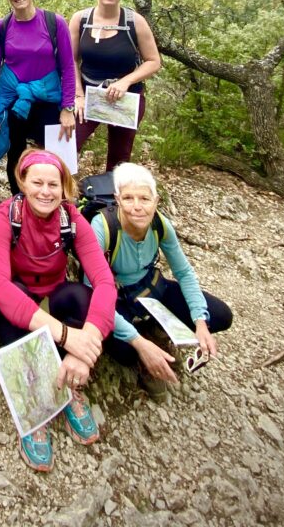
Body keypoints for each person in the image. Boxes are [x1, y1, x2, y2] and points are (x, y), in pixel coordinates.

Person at [0, 149, 117, 469]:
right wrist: (64, 335)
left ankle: (70, 383)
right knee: (11, 304)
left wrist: (85, 344)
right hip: (16, 302)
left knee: (82, 296)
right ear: (23, 182)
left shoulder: (71, 218)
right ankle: (35, 407)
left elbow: (104, 282)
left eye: (53, 184)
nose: (45, 191)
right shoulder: (5, 215)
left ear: (64, 188)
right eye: (37, 183)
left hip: (52, 298)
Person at [89, 162, 233, 395]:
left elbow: (183, 272)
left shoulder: (160, 224)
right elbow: (92, 293)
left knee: (220, 316)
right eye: (128, 198)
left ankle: (156, 332)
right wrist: (137, 341)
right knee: (125, 352)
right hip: (114, 297)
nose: (137, 207)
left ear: (156, 201)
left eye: (145, 199)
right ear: (117, 199)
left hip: (150, 288)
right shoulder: (103, 227)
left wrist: (200, 320)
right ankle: (145, 343)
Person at [0, 0, 76, 194]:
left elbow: (68, 67)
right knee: (16, 155)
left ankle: (55, 202)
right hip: (15, 103)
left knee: (55, 157)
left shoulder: (54, 22)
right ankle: (19, 202)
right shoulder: (0, 28)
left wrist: (67, 107)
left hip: (48, 101)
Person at [69, 0, 161, 171]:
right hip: (88, 93)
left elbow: (153, 61)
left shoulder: (135, 22)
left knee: (119, 157)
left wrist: (126, 81)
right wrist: (78, 95)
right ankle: (60, 196)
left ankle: (110, 199)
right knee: (67, 144)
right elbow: (71, 60)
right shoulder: (81, 19)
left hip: (125, 97)